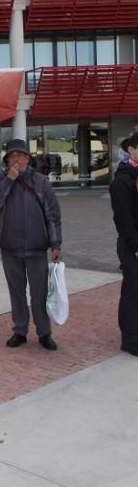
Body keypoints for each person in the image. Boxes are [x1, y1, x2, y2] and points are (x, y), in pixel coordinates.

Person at [0, 139, 62, 351]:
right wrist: (9, 180)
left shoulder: (41, 182)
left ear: (28, 158)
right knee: (16, 292)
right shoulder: (0, 179)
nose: (16, 159)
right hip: (10, 247)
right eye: (12, 156)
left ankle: (44, 333)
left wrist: (56, 244)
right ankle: (20, 331)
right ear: (7, 160)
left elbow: (53, 216)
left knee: (39, 294)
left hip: (37, 247)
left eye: (20, 155)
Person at [109, 132, 138, 357]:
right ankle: (130, 340)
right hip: (132, 245)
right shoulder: (123, 180)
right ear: (132, 149)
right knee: (132, 291)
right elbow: (123, 219)